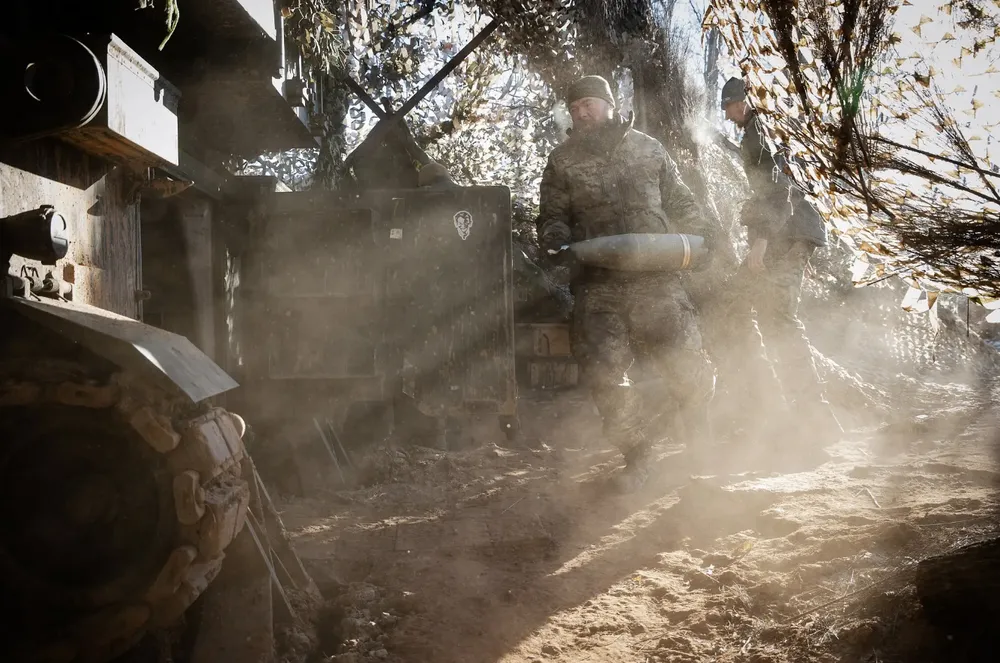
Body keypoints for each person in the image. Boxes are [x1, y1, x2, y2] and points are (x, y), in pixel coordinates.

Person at [538, 75, 719, 491]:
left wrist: (704, 238)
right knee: (605, 378)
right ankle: (638, 458)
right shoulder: (562, 161)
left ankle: (701, 449)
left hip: (658, 281)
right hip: (599, 287)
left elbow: (680, 201)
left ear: (609, 105)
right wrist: (555, 242)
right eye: (575, 107)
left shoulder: (648, 148)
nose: (581, 112)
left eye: (589, 103)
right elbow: (552, 216)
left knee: (688, 366)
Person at [718, 76, 841, 445]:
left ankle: (814, 422)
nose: (728, 115)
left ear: (744, 101)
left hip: (782, 235)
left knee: (778, 321)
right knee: (742, 304)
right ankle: (775, 410)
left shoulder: (760, 132)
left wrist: (761, 241)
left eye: (730, 107)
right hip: (791, 236)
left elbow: (779, 190)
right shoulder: (768, 128)